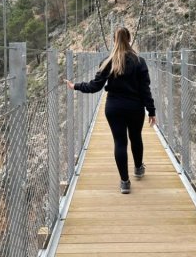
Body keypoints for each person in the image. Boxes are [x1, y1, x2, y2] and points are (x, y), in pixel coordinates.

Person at [65, 27, 156, 194]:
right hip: (135, 107)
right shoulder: (139, 61)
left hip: (114, 108)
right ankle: (138, 169)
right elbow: (145, 89)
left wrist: (75, 86)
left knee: (120, 142)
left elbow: (95, 86)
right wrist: (151, 111)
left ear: (114, 40)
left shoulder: (107, 62)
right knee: (136, 137)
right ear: (129, 39)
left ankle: (125, 182)